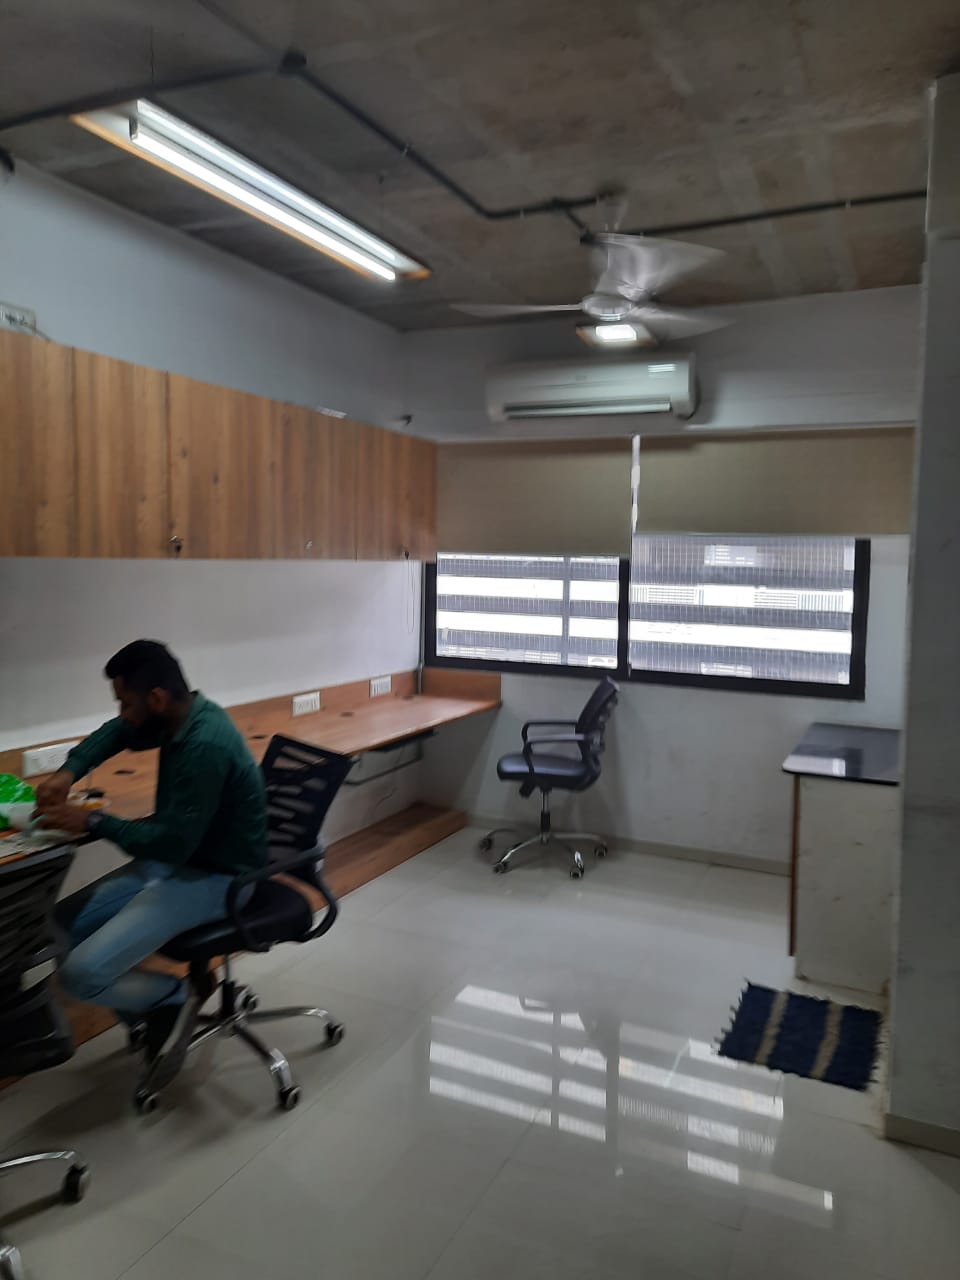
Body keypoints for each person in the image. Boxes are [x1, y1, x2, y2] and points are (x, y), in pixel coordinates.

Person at [36, 640, 267, 1087]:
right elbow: (120, 733)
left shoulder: (204, 744)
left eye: (126, 703)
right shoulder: (178, 717)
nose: (123, 713)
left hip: (222, 877)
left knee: (79, 975)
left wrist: (93, 821)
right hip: (182, 860)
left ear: (157, 698)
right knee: (60, 926)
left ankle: (173, 998)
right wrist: (69, 771)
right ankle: (148, 1017)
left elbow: (170, 844)